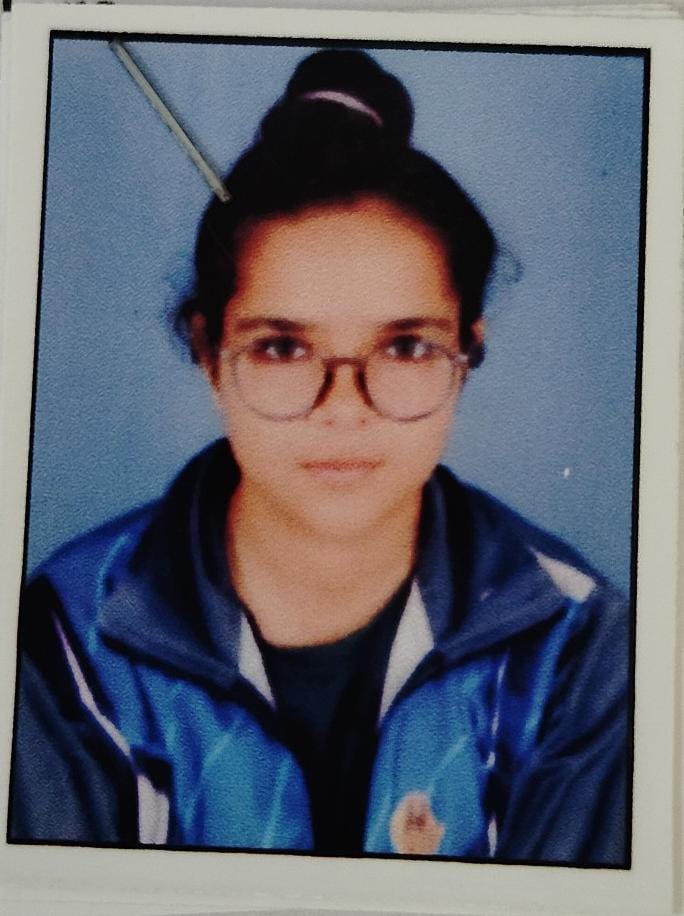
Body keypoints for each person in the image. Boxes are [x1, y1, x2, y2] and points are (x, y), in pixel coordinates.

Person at [8, 48, 629, 864]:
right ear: (208, 352)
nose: (343, 409)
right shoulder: (71, 633)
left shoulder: (574, 640)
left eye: (405, 347)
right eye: (282, 347)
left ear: (468, 352)